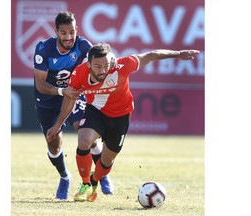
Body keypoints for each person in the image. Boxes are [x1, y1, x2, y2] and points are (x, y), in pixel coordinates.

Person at [46, 42, 200, 202]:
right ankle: (85, 184)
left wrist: (178, 53)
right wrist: (57, 125)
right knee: (84, 140)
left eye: (105, 65)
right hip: (96, 111)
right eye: (97, 66)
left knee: (106, 163)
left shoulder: (123, 65)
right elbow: (70, 99)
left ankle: (94, 180)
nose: (103, 70)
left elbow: (151, 55)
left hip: (121, 117)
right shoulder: (79, 73)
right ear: (89, 63)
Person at [33, 12, 114, 201]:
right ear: (56, 32)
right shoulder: (43, 49)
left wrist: (113, 60)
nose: (69, 37)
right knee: (53, 143)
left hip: (73, 96)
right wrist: (62, 92)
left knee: (87, 134)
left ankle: (101, 175)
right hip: (47, 100)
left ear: (76, 29)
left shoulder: (84, 46)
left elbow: (103, 58)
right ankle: (64, 177)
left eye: (72, 32)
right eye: (64, 33)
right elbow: (40, 85)